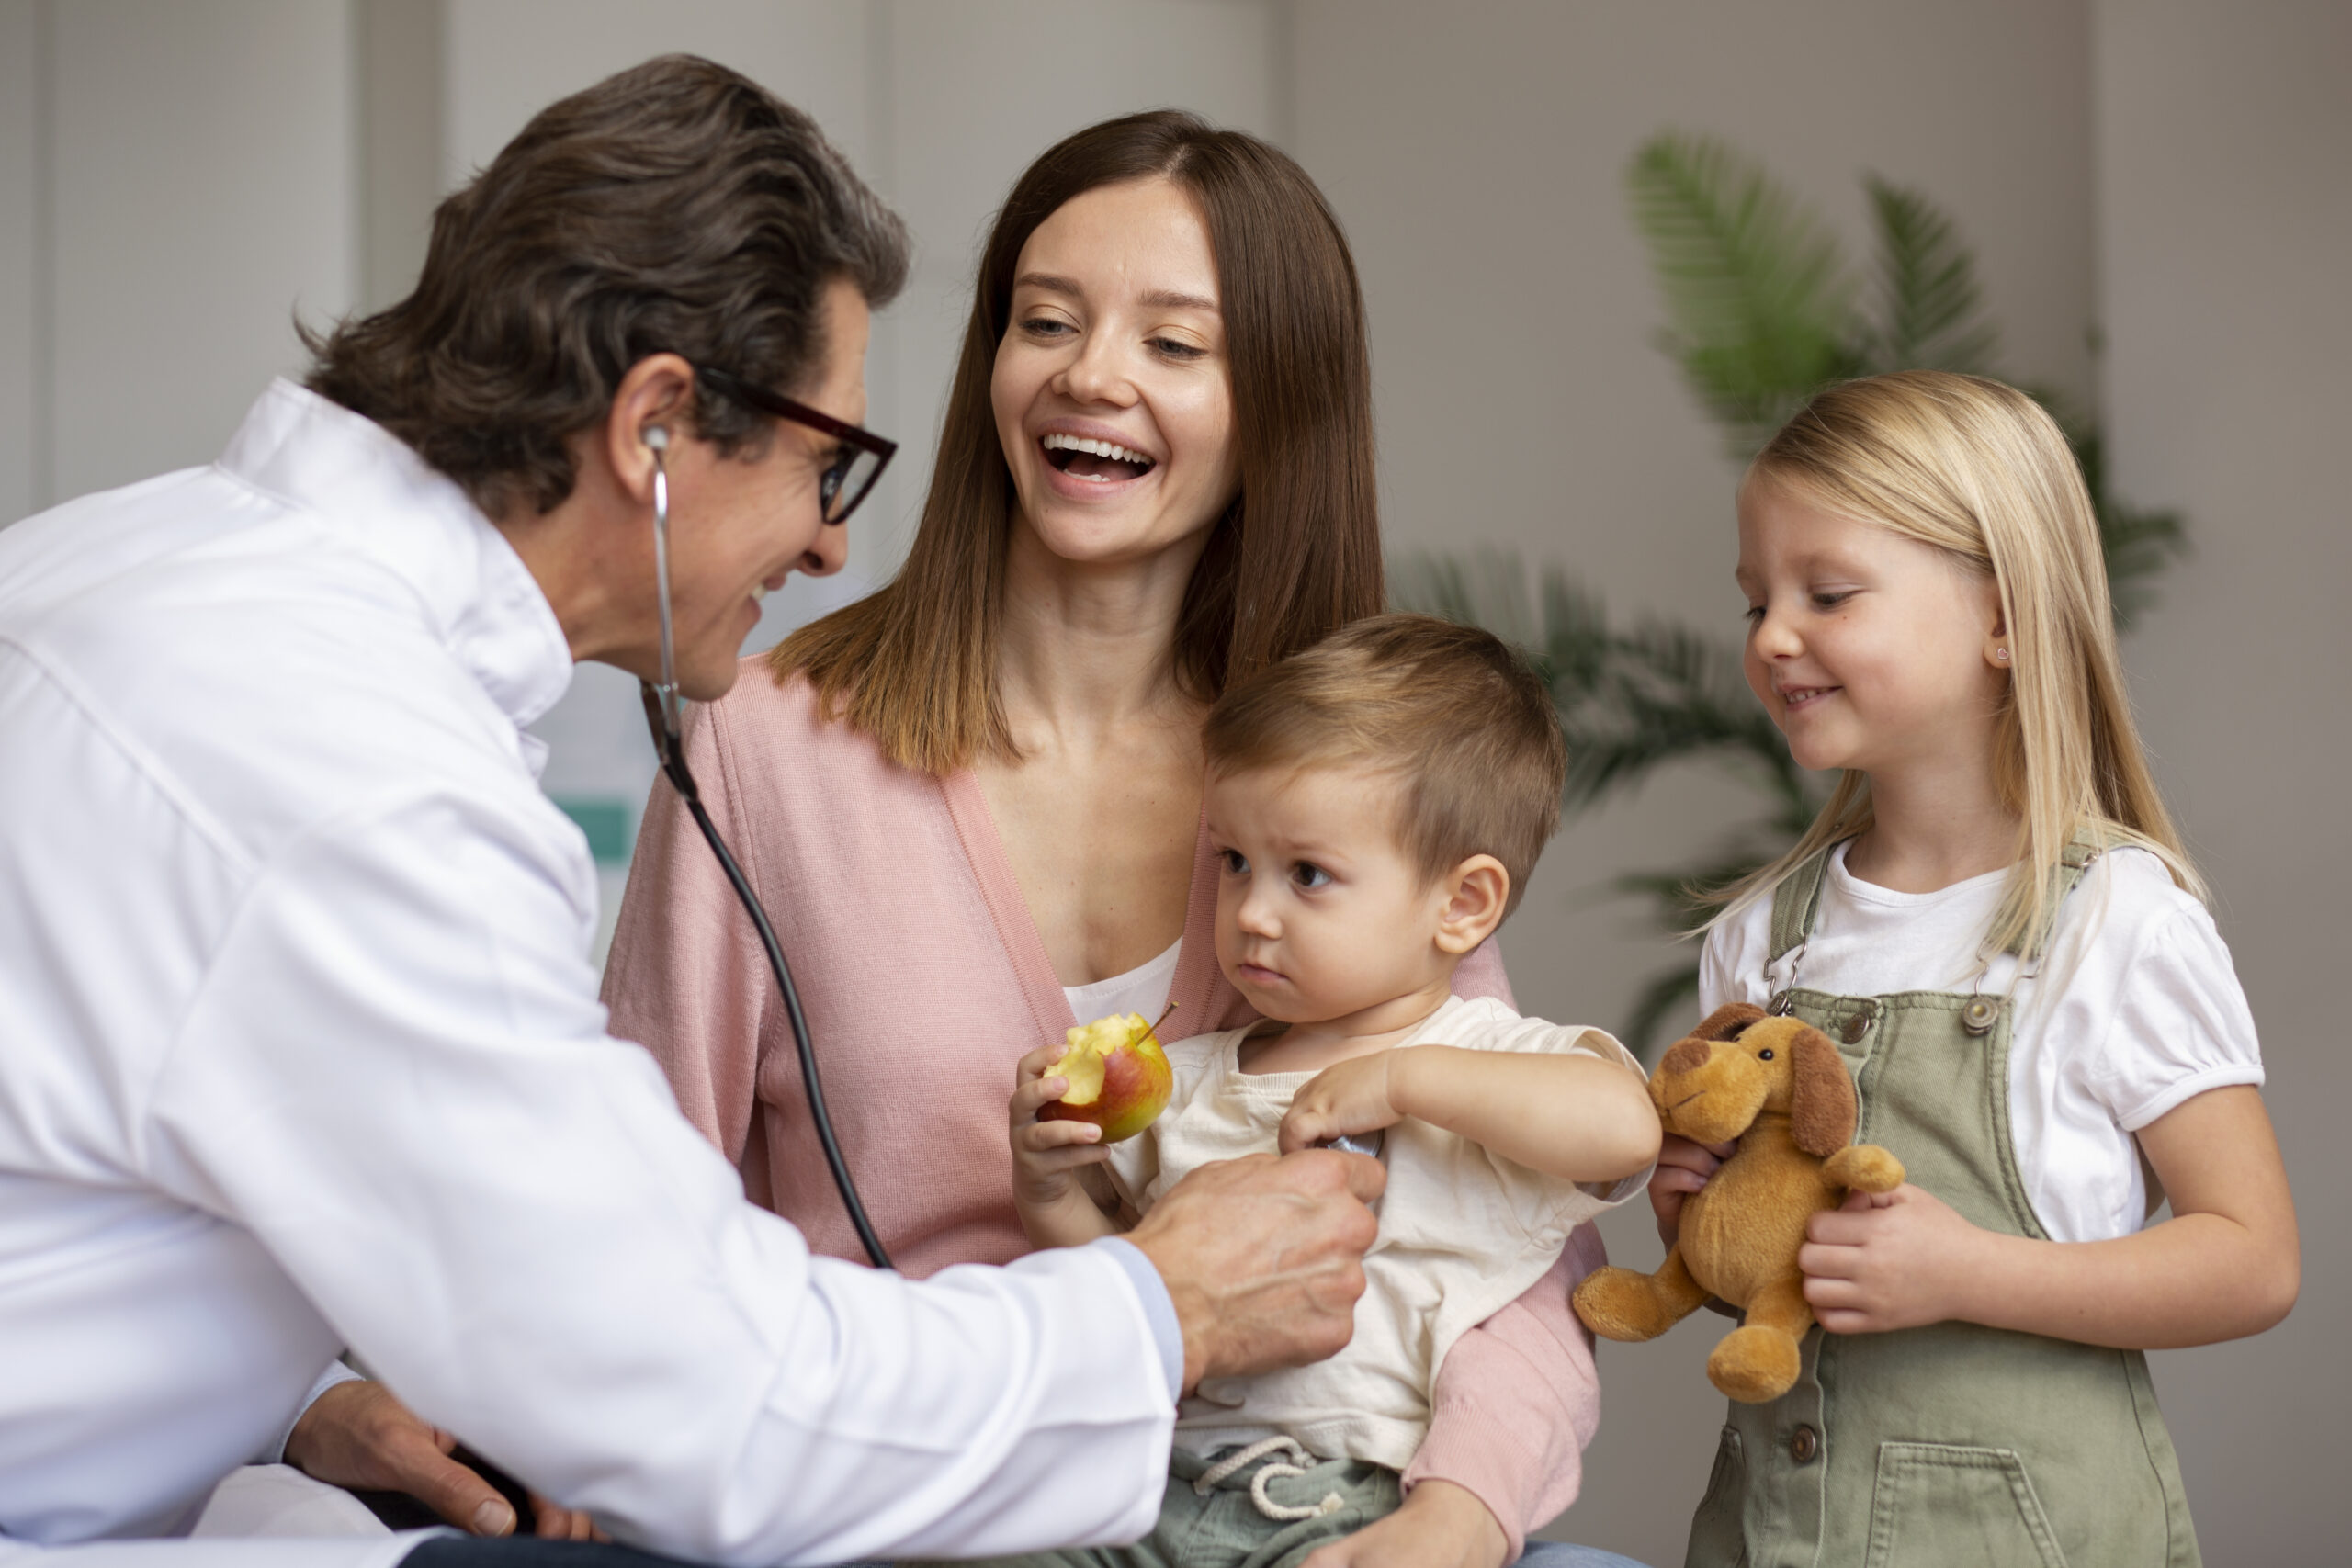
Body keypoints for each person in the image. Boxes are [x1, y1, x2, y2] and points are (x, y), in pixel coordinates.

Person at [0, 57, 1395, 1566]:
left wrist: (281, 1396)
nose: (826, 541)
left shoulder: (103, 571)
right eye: (823, 461)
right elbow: (719, 1409)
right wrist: (1157, 1310)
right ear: (657, 428)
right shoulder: (354, 776)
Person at [606, 112, 1619, 1568]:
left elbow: (1510, 1258)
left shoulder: (1351, 784)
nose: (1092, 375)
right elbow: (639, 1211)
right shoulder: (761, 745)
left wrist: (1457, 1517)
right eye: (1047, 322)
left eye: (1176, 344)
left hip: (1317, 1509)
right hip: (913, 1507)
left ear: (1278, 406)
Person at [1649, 371, 2299, 1566]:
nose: (1773, 634)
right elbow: (1770, 1261)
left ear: (2003, 619)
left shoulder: (2116, 920)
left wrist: (1970, 1271)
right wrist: (1701, 1216)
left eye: (1827, 592)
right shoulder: (1763, 938)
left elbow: (2253, 1255)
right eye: (1755, 603)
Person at [968, 615, 1659, 1568]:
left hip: (1351, 1505)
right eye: (1235, 862)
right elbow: (1132, 1285)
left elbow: (1624, 1128)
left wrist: (1403, 1079)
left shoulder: (1481, 1058)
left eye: (1308, 875)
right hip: (1150, 1487)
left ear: (1462, 906)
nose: (1251, 913)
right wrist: (1047, 1190)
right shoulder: (1196, 1078)